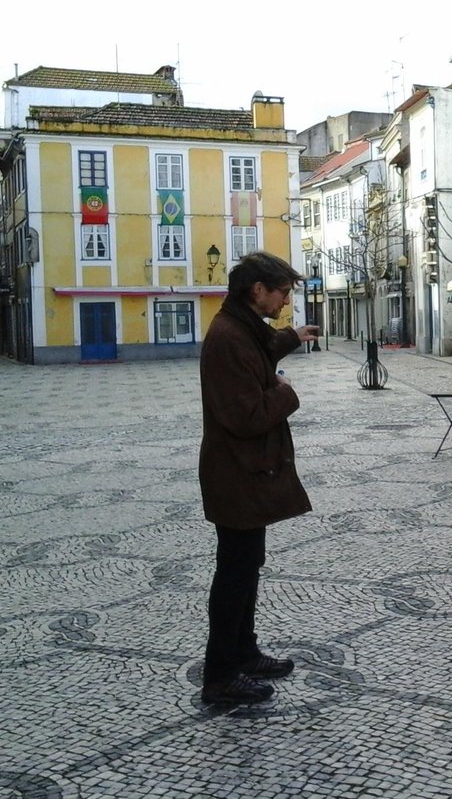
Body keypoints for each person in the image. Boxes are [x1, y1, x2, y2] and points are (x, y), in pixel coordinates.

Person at [197, 251, 319, 705]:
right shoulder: (228, 338)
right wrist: (285, 394)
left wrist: (291, 337)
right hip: (237, 472)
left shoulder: (241, 328)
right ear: (257, 291)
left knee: (246, 569)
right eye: (282, 292)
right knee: (233, 576)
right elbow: (246, 415)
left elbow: (261, 345)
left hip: (245, 471)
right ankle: (221, 676)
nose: (286, 301)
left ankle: (243, 653)